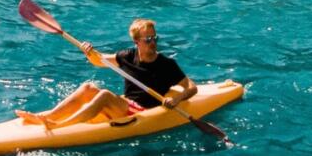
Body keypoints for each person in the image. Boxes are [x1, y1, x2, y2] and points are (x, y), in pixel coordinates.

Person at [15, 18, 197, 129]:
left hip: (142, 111)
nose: (153, 42)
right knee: (87, 87)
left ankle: (61, 126)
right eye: (148, 39)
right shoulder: (127, 56)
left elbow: (192, 87)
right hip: (126, 104)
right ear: (137, 42)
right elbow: (99, 61)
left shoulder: (167, 65)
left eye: (154, 38)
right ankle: (47, 118)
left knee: (104, 95)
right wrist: (88, 52)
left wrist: (177, 99)